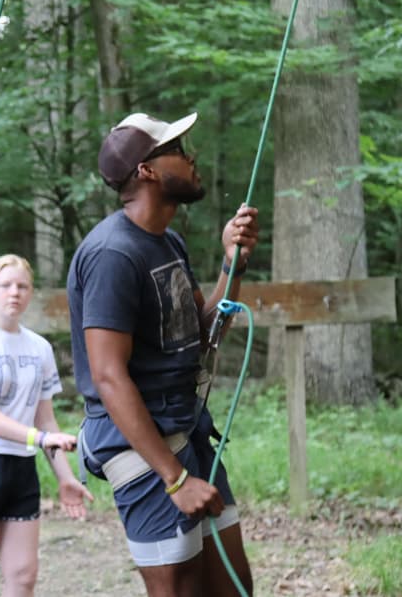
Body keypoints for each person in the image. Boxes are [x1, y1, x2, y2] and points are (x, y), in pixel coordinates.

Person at [68, 111, 258, 597]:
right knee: (180, 589)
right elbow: (108, 376)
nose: (191, 157)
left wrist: (231, 266)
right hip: (142, 450)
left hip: (186, 432)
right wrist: (174, 479)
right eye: (176, 149)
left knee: (234, 587)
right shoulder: (112, 254)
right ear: (147, 170)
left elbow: (203, 332)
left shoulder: (167, 241)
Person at [0, 254, 94, 597]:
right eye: (5, 285)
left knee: (24, 576)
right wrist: (39, 438)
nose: (14, 292)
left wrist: (66, 478)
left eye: (23, 286)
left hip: (20, 466)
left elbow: (46, 420)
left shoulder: (40, 347)